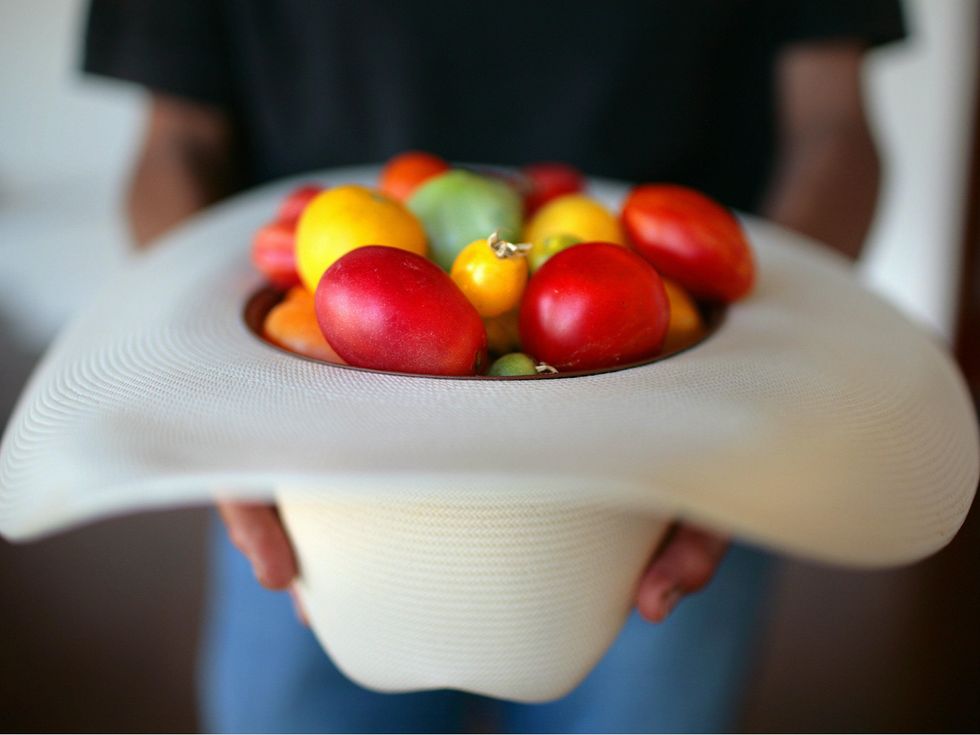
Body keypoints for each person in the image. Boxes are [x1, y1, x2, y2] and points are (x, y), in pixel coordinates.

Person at [83, 1, 905, 731]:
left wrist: (760, 382)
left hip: (677, 447)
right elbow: (176, 141)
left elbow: (833, 127)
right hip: (304, 449)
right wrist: (214, 390)